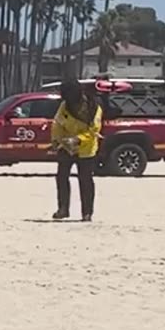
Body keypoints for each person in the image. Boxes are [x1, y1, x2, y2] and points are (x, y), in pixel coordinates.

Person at [49, 79, 102, 222]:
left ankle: (87, 213)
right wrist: (56, 141)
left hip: (86, 148)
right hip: (66, 146)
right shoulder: (64, 106)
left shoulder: (94, 108)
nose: (69, 101)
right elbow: (58, 124)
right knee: (61, 177)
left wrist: (77, 140)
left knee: (85, 180)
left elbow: (94, 132)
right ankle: (63, 209)